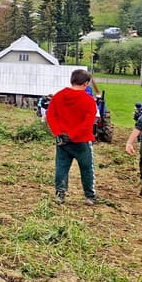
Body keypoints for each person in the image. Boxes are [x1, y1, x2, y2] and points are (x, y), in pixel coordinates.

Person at [46, 69, 99, 205]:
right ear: (86, 83)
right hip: (81, 141)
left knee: (61, 167)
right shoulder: (89, 101)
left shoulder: (58, 96)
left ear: (72, 80)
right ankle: (89, 196)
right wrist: (72, 135)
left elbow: (50, 116)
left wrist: (58, 133)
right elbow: (87, 123)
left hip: (62, 141)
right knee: (87, 168)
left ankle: (60, 195)